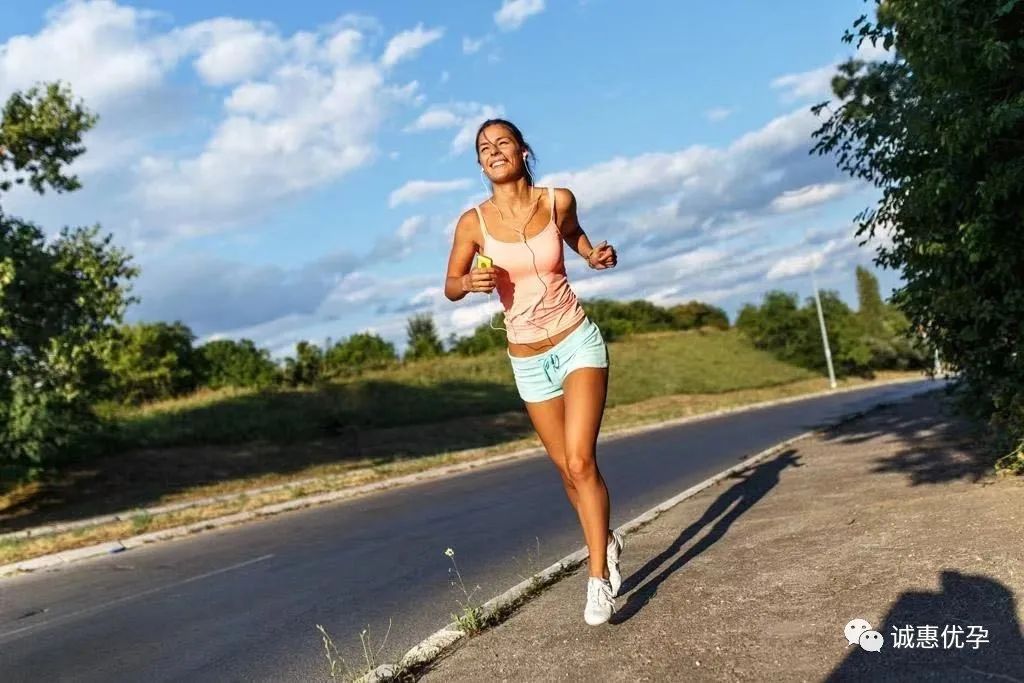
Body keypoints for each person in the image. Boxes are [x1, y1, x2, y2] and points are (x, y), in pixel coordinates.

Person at [444, 118, 622, 626]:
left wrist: (591, 255)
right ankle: (605, 538)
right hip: (526, 357)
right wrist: (469, 283)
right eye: (484, 148)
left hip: (575, 340)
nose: (493, 151)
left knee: (582, 462)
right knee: (566, 469)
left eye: (502, 142)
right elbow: (451, 284)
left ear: (523, 150)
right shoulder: (473, 223)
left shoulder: (557, 200)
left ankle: (597, 578)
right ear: (480, 164)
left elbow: (573, 234)